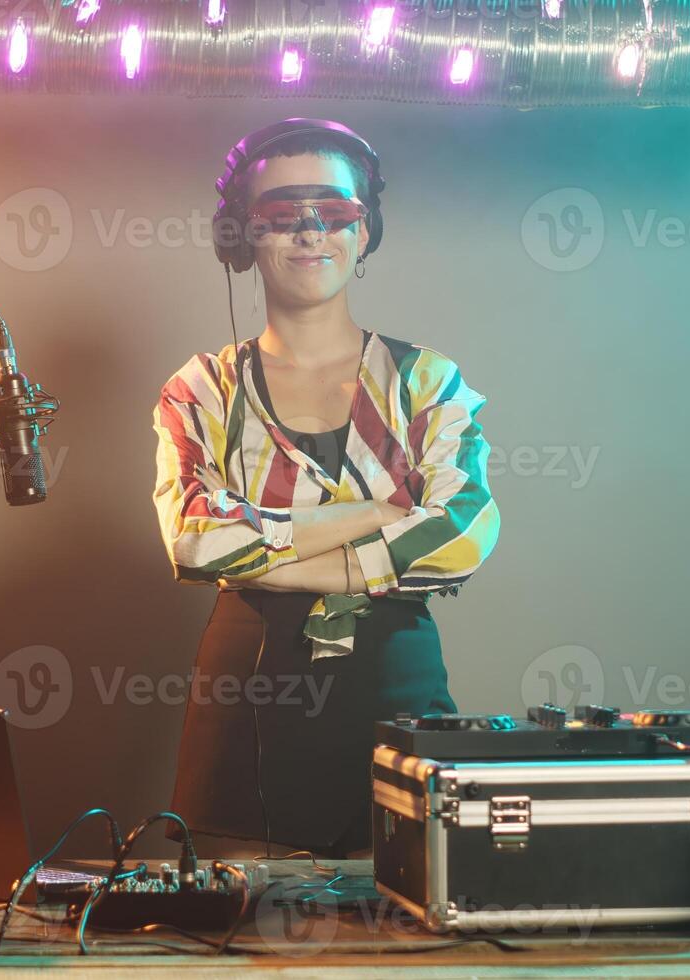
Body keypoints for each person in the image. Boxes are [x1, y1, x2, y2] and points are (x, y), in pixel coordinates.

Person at [151, 118, 502, 856]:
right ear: (242, 236)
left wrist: (266, 549)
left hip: (394, 686)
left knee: (413, 928)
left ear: (365, 230)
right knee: (231, 943)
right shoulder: (201, 390)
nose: (310, 233)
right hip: (245, 694)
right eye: (281, 215)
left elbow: (464, 531)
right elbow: (192, 536)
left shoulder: (427, 383)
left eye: (334, 213)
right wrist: (380, 512)